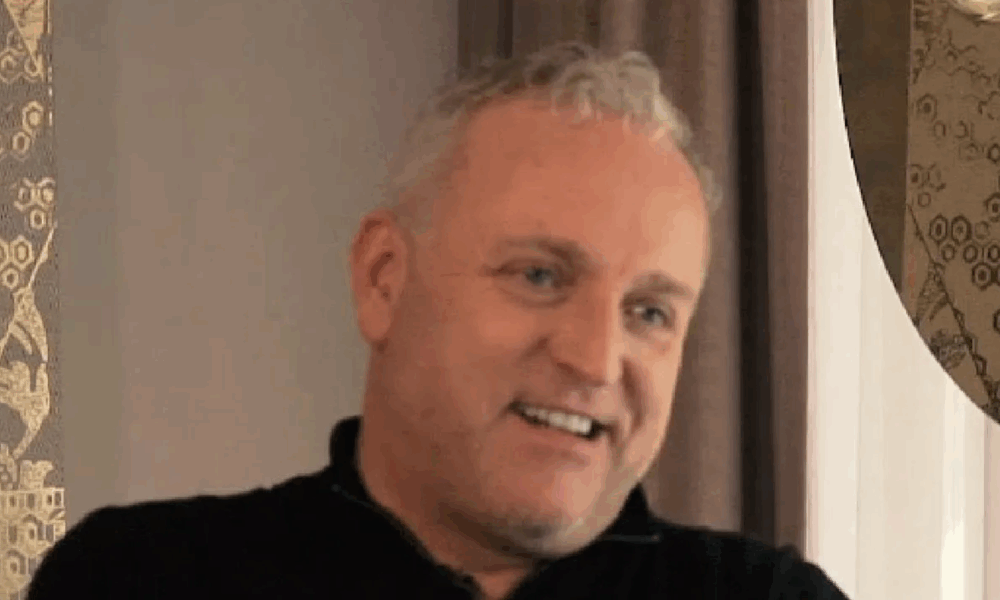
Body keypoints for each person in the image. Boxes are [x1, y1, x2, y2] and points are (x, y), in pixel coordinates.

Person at [27, 42, 849, 600]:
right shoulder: (143, 580)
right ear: (384, 279)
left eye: (650, 312)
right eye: (539, 275)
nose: (597, 358)